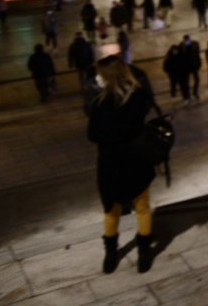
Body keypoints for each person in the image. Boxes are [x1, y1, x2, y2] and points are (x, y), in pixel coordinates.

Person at [87, 55, 157, 274]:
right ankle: (144, 253)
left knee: (111, 210)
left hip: (111, 162)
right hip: (137, 160)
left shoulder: (100, 103)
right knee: (142, 207)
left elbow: (92, 135)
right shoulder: (137, 97)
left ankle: (110, 254)